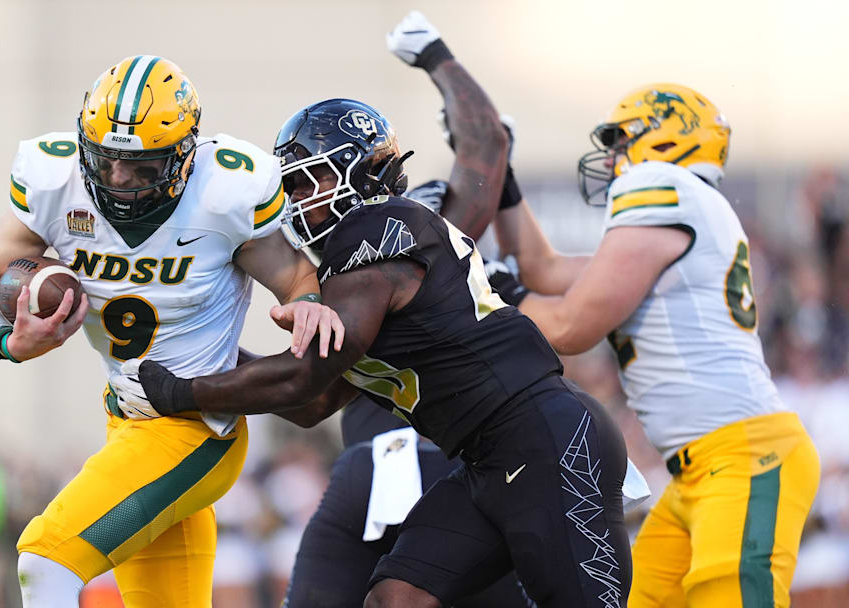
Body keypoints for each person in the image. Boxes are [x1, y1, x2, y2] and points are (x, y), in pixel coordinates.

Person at [114, 89, 634, 606]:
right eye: (288, 186)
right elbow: (311, 405)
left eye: (304, 181)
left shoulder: (379, 231)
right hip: (486, 457)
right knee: (396, 598)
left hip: (546, 442)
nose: (294, 200)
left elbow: (304, 375)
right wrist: (197, 356)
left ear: (359, 171)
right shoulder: (353, 270)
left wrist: (182, 390)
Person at [0, 55, 342, 607]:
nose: (120, 180)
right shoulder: (58, 183)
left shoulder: (224, 192)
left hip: (197, 430)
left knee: (45, 557)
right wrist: (4, 340)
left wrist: (309, 302)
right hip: (125, 421)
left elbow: (295, 275)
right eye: (106, 163)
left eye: (143, 167)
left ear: (183, 156)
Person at [487, 83, 821, 607]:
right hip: (697, 470)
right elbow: (542, 269)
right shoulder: (682, 215)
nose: (614, 157)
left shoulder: (664, 186)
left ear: (667, 143)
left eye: (623, 141)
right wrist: (502, 181)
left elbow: (572, 326)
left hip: (745, 455)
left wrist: (491, 294)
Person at [280, 12, 535, 607]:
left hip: (370, 464)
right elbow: (486, 143)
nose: (302, 200)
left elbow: (308, 398)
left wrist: (196, 379)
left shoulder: (346, 252)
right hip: (455, 468)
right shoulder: (430, 238)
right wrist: (435, 54)